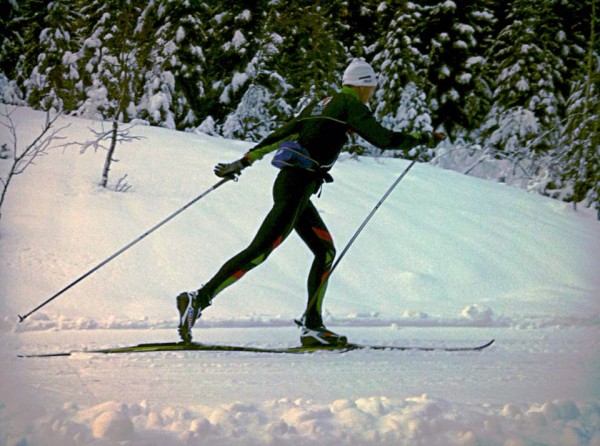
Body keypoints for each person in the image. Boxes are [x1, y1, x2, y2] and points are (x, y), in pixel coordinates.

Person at [177, 59, 445, 346]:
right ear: (363, 85)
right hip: (297, 185)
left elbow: (283, 134)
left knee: (325, 251)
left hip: (294, 185)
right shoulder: (349, 105)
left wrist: (245, 161)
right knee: (259, 251)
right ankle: (199, 299)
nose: (371, 94)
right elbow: (384, 139)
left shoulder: (321, 104)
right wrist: (424, 138)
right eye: (371, 88)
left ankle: (312, 326)